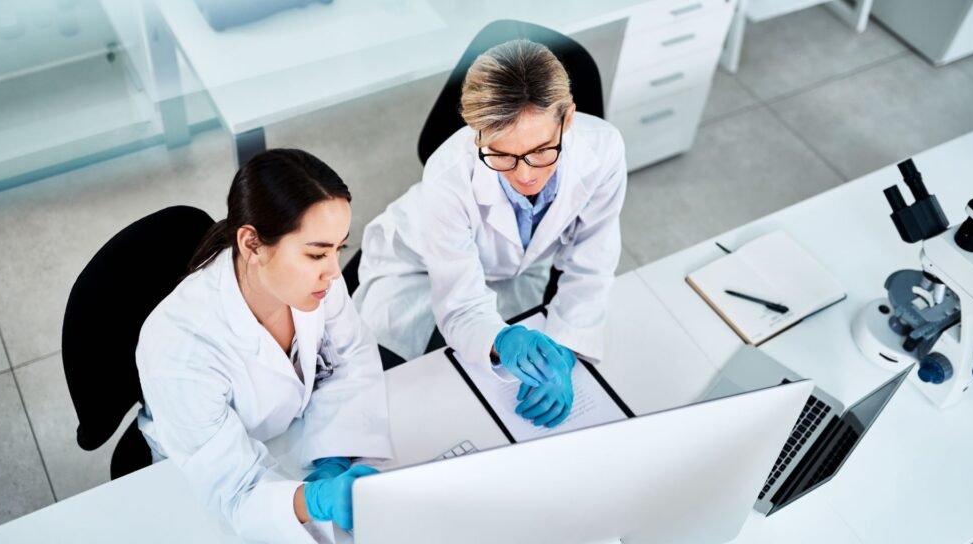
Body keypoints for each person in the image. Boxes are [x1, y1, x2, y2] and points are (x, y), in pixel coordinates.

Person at [353, 39, 626, 429]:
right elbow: (461, 303)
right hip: (414, 260)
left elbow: (592, 263)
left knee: (490, 401)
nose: (525, 175)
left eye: (542, 150)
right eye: (501, 155)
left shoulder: (604, 150)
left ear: (568, 120)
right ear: (476, 132)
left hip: (518, 267)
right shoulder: (448, 175)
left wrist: (567, 348)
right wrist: (499, 341)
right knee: (388, 394)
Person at [135, 149, 392, 544]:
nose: (334, 271)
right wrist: (312, 499)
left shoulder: (315, 282)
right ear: (252, 244)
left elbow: (351, 357)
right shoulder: (178, 345)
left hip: (294, 439)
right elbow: (234, 490)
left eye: (338, 249)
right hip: (201, 482)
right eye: (316, 253)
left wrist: (334, 454)